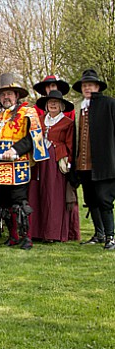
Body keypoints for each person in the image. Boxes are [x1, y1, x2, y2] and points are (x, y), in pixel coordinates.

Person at [0, 73, 48, 250]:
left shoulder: (28, 112)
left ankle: (27, 237)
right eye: (3, 94)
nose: (6, 97)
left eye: (9, 94)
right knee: (3, 202)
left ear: (16, 95)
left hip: (18, 165)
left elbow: (32, 137)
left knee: (19, 202)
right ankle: (13, 236)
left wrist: (15, 150)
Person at [73, 69, 115, 249]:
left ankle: (111, 237)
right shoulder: (79, 108)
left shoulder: (109, 104)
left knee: (104, 199)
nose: (87, 88)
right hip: (84, 163)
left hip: (104, 163)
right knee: (91, 200)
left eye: (91, 85)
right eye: (84, 85)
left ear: (97, 87)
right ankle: (99, 234)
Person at [28, 90, 79, 242]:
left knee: (53, 196)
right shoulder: (40, 120)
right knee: (36, 195)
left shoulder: (67, 123)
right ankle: (37, 232)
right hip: (39, 163)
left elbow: (71, 144)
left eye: (56, 103)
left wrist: (69, 162)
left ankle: (52, 233)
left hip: (55, 164)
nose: (53, 105)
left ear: (62, 105)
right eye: (50, 102)